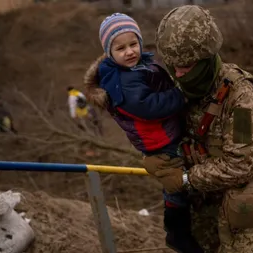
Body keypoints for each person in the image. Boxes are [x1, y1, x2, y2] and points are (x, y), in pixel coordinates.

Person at [141, 5, 253, 253]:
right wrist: (158, 156)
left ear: (206, 58)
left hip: (236, 218)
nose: (178, 73)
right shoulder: (181, 86)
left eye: (186, 66)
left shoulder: (242, 98)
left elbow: (242, 165)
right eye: (173, 65)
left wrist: (185, 179)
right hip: (198, 210)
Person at [83, 13, 202, 253]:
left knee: (184, 181)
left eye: (133, 44)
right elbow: (150, 108)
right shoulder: (120, 82)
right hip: (159, 142)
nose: (129, 51)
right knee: (176, 186)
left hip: (168, 134)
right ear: (109, 52)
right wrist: (181, 95)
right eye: (121, 48)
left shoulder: (139, 66)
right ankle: (178, 233)